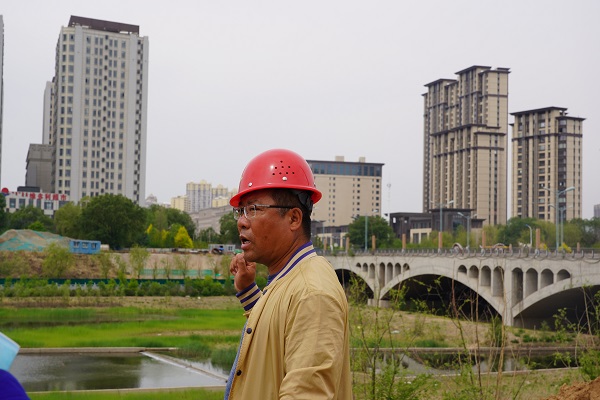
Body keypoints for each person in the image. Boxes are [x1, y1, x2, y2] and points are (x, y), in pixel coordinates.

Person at [224, 149, 352, 400]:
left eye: (254, 209)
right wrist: (248, 292)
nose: (241, 221)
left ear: (293, 218)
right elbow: (275, 332)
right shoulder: (289, 278)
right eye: (241, 211)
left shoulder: (312, 294)